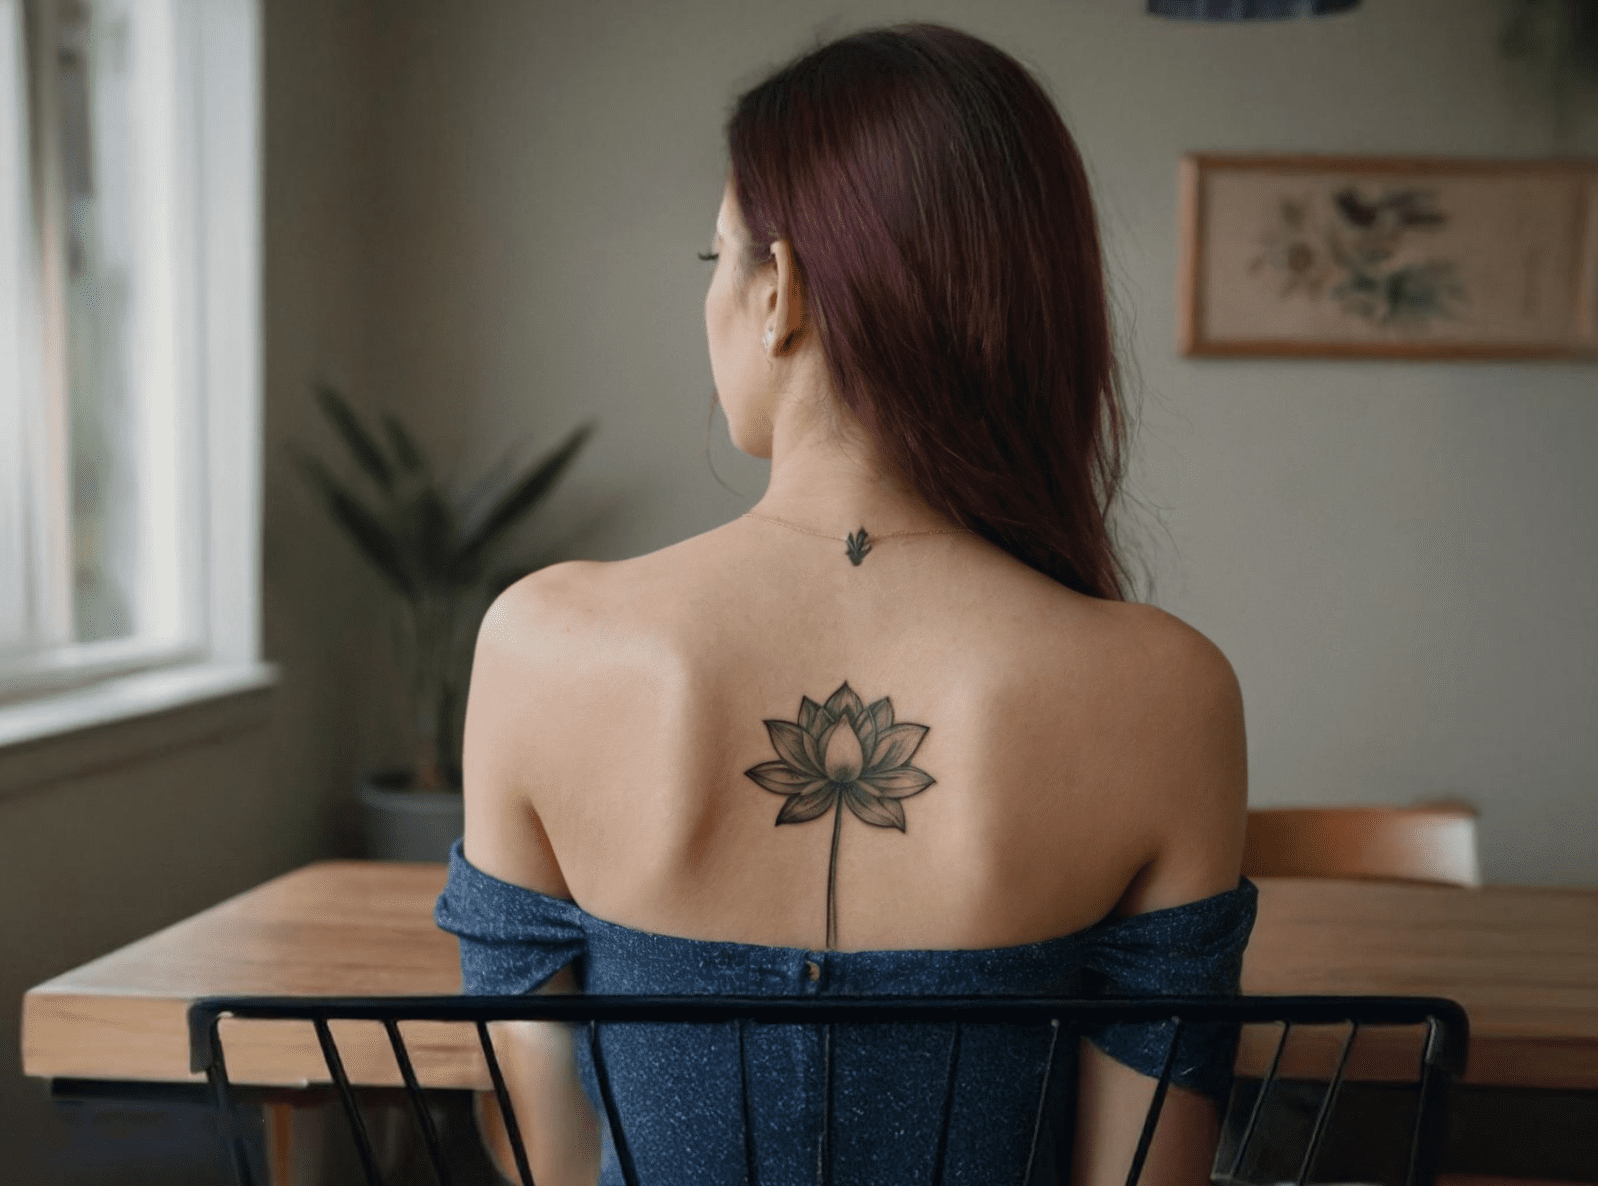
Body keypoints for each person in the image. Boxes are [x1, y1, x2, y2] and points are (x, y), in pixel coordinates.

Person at [434, 21, 1253, 1186]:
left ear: (781, 295)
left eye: (715, 256)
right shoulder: (1166, 687)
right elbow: (1144, 1177)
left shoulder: (540, 643)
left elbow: (548, 1156)